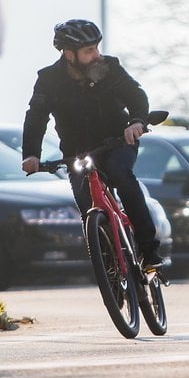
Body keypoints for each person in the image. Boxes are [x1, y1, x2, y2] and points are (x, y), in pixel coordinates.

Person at [21, 19, 162, 268]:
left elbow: (136, 95)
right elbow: (36, 117)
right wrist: (31, 154)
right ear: (69, 54)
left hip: (118, 141)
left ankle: (149, 251)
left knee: (122, 175)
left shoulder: (109, 68)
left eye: (97, 48)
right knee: (86, 202)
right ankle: (110, 269)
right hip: (78, 152)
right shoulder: (49, 80)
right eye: (89, 51)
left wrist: (136, 122)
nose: (97, 54)